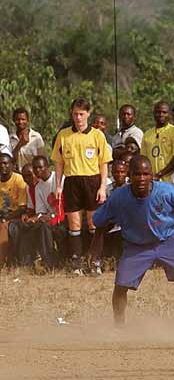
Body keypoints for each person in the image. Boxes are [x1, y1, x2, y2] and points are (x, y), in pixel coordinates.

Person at [90, 156, 174, 336]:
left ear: (151, 175)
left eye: (146, 174)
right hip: (136, 246)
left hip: (168, 240)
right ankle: (119, 327)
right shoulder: (119, 197)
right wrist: (95, 249)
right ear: (130, 176)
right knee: (120, 286)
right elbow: (101, 222)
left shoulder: (165, 191)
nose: (142, 178)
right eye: (137, 174)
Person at [51, 97, 111, 275]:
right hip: (71, 181)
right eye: (75, 114)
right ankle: (76, 262)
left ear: (88, 114)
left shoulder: (98, 135)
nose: (78, 118)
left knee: (94, 223)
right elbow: (59, 163)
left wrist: (102, 187)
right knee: (74, 224)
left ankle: (94, 261)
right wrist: (58, 186)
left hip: (92, 181)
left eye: (81, 114)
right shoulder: (63, 135)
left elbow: (104, 164)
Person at [14, 156, 67, 269]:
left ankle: (52, 262)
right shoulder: (38, 187)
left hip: (64, 217)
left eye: (41, 167)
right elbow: (40, 211)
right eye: (35, 168)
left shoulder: (60, 179)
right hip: (49, 220)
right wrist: (37, 217)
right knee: (31, 226)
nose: (38, 170)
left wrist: (50, 216)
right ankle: (29, 263)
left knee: (44, 226)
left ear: (48, 167)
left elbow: (66, 205)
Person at [141, 101, 174, 182]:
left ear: (169, 114)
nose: (161, 115)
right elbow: (144, 159)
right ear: (153, 114)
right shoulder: (147, 134)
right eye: (158, 112)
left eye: (164, 112)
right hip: (153, 181)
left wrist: (161, 174)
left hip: (171, 180)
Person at [0, 154, 27, 263]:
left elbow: (22, 208)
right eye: (0, 164)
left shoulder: (18, 179)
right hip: (2, 214)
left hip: (15, 214)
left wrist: (6, 217)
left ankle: (2, 261)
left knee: (3, 226)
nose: (2, 166)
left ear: (12, 165)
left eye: (5, 163)